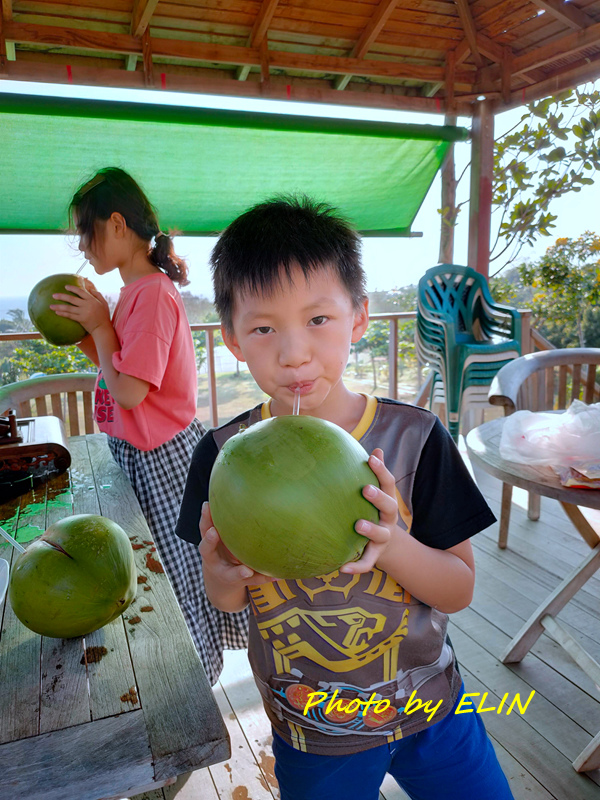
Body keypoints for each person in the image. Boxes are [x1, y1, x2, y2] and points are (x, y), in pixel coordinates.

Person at [175, 195, 515, 800]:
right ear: (230, 338)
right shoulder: (224, 457)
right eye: (263, 328)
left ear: (359, 317)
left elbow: (458, 591)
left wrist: (391, 546)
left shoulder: (416, 439)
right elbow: (227, 603)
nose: (294, 352)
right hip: (311, 729)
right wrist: (220, 572)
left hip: (433, 712)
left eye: (318, 320)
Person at [50, 167, 248, 685]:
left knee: (174, 574)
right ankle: (174, 673)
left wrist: (97, 323)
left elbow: (132, 391)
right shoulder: (134, 293)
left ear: (116, 224)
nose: (82, 247)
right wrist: (87, 329)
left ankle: (190, 680)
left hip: (162, 457)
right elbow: (114, 367)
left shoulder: (154, 295)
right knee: (154, 570)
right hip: (139, 452)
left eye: (84, 232)